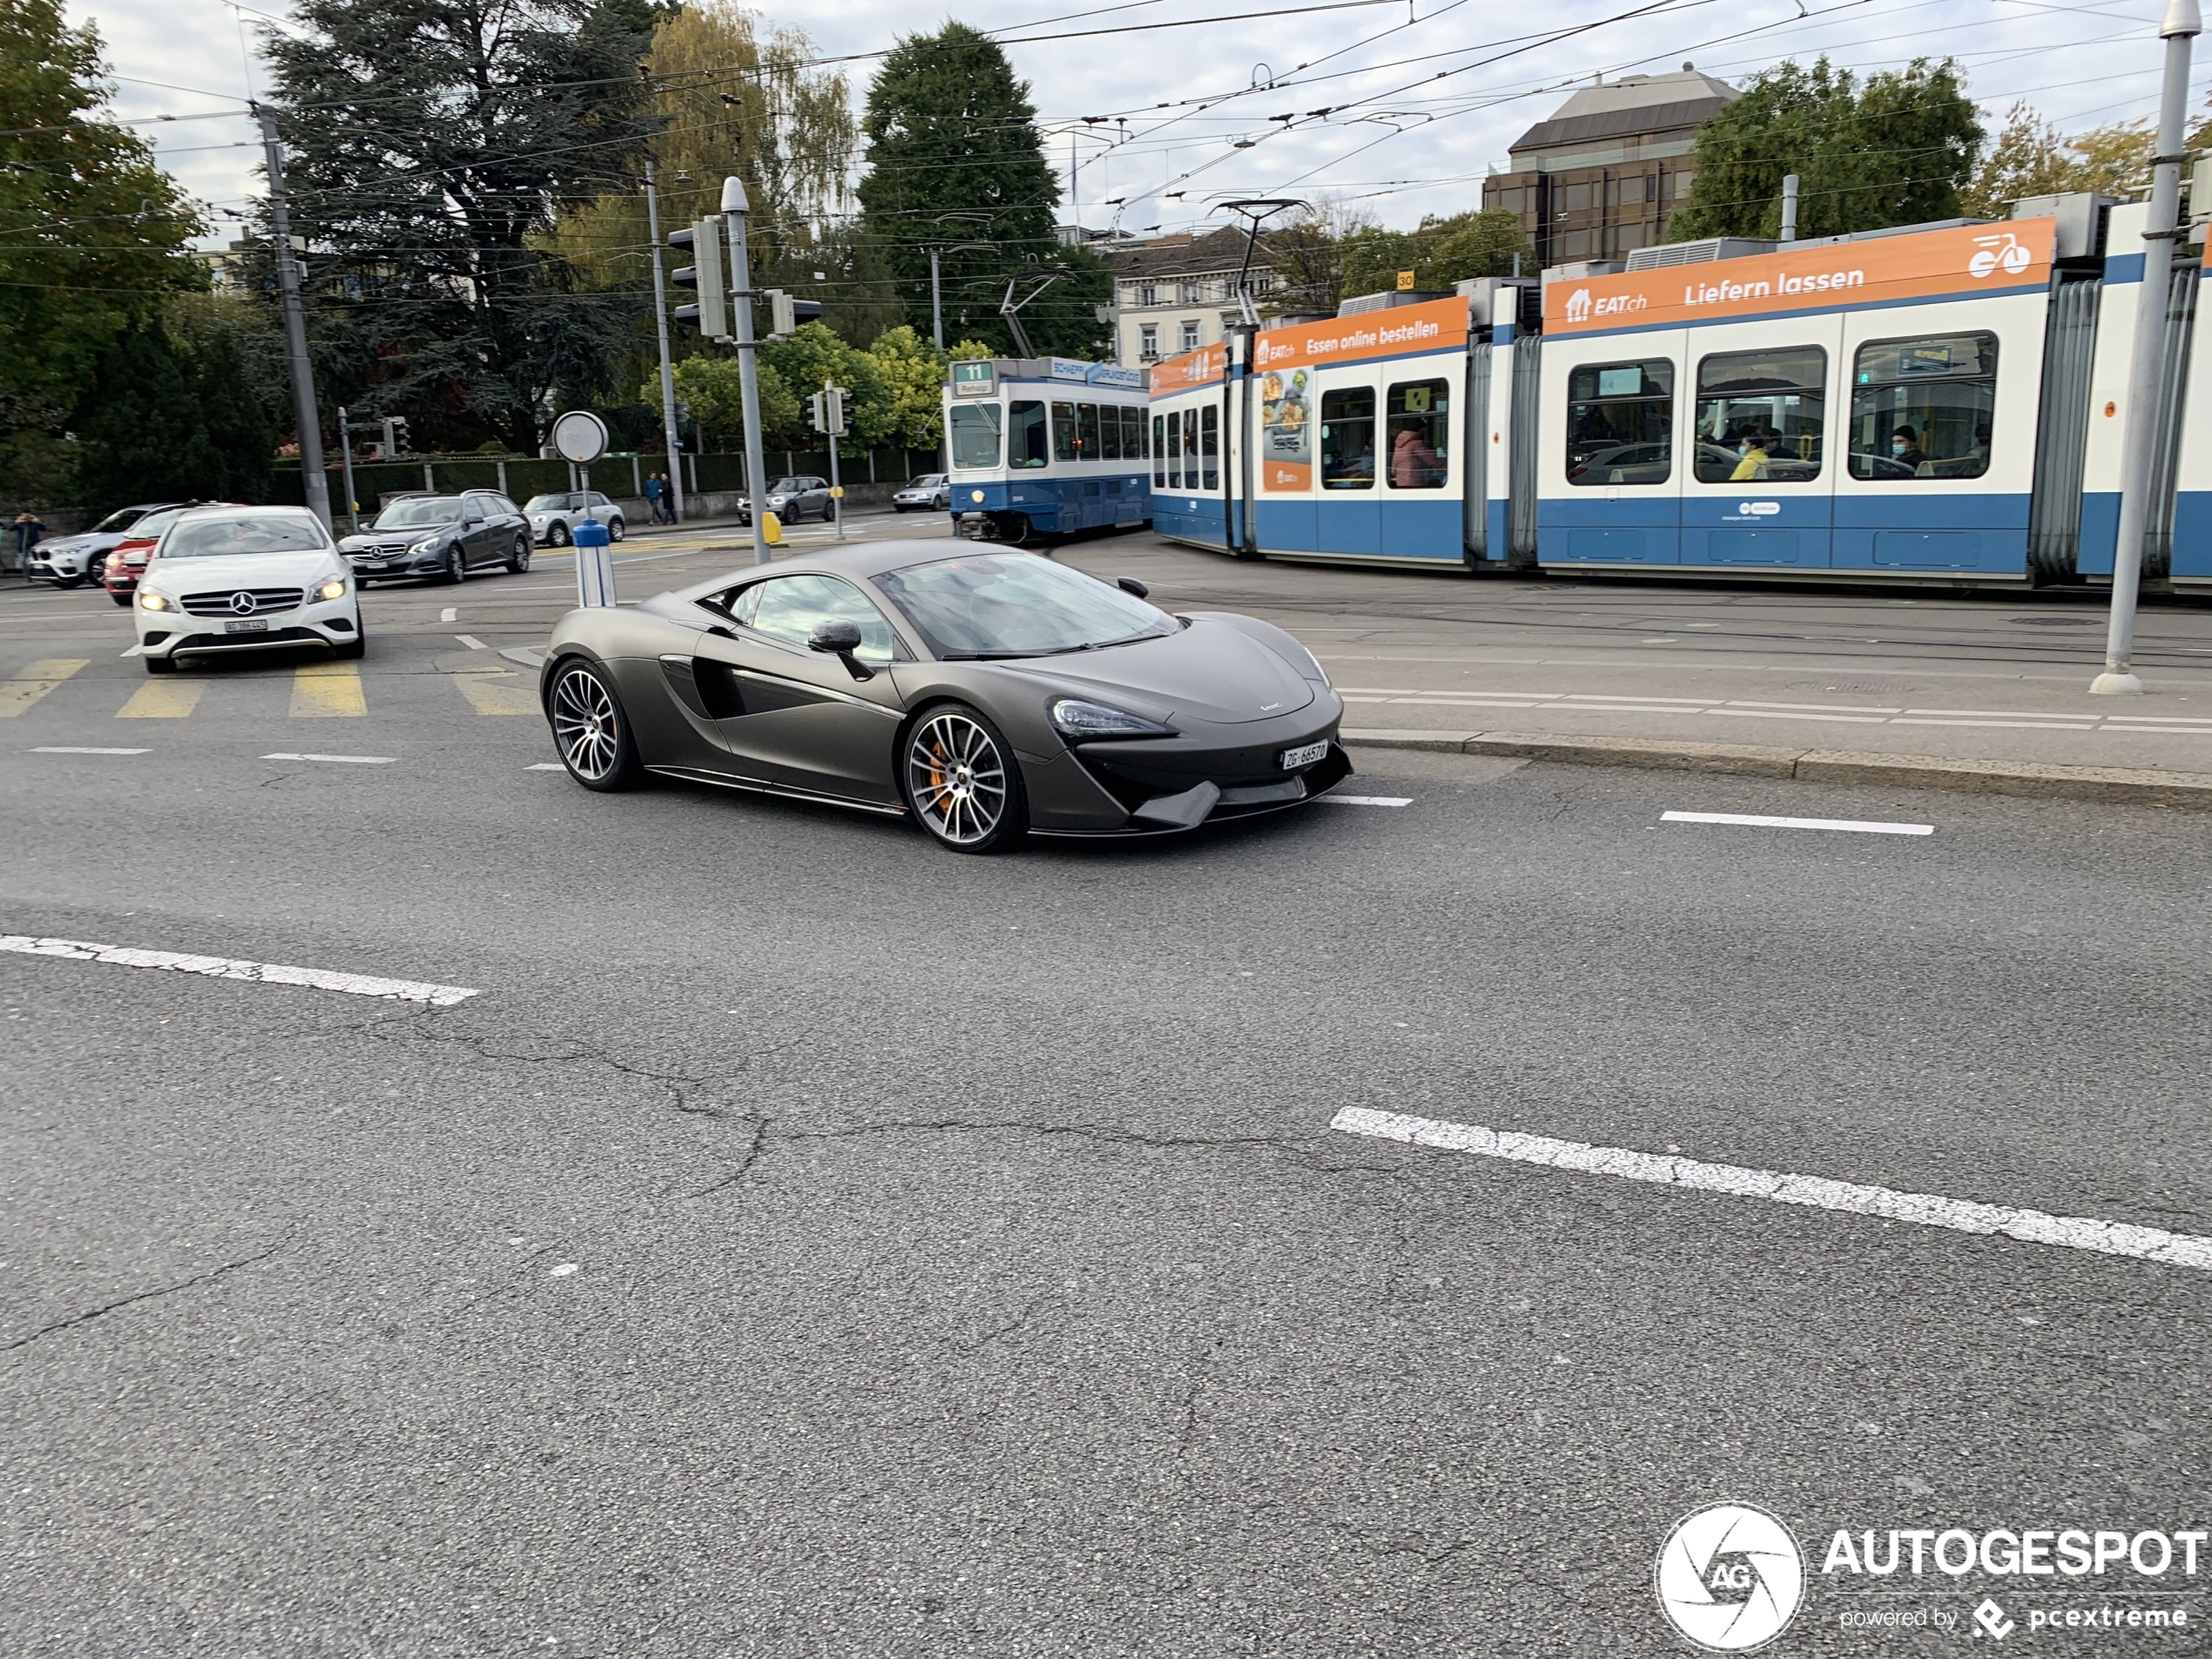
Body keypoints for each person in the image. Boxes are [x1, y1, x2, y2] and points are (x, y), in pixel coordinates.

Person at [1390, 423, 1443, 489]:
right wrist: (1446, 468)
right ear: (1420, 430)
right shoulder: (1417, 444)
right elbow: (1433, 461)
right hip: (1416, 482)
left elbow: (1393, 469)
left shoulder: (1399, 446)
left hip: (1401, 483)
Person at [10, 509, 45, 579]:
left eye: (28, 516)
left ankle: (39, 576)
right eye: (24, 516)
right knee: (24, 562)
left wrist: (37, 521)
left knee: (36, 561)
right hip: (22, 546)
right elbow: (10, 528)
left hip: (34, 545)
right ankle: (28, 578)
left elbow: (43, 528)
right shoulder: (20, 525)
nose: (26, 518)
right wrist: (17, 522)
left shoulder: (34, 524)